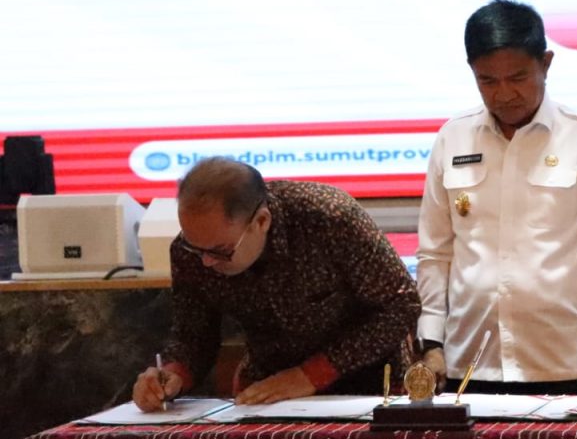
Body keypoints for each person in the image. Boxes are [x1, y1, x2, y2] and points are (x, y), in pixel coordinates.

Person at [416, 0, 577, 395]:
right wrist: (431, 342)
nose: (504, 94)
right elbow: (435, 252)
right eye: (487, 81)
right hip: (468, 362)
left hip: (564, 362)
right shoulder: (452, 138)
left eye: (517, 77)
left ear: (546, 64)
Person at [132, 157, 420, 411]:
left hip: (370, 385)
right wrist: (172, 375)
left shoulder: (328, 217)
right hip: (271, 391)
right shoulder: (190, 251)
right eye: (195, 248)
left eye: (220, 251)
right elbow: (193, 334)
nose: (205, 262)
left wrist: (311, 375)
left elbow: (402, 305)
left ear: (261, 221)